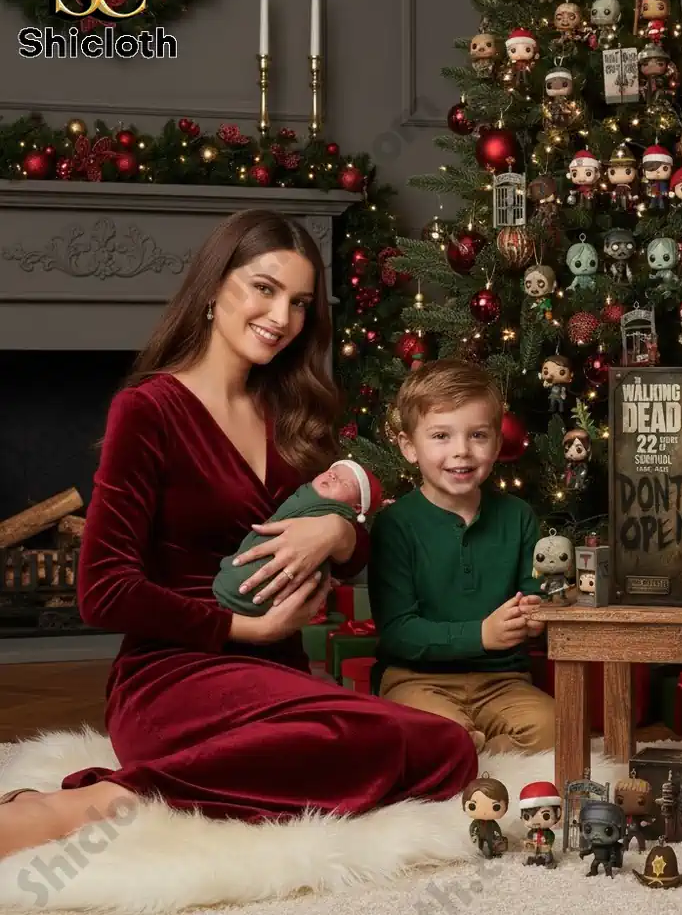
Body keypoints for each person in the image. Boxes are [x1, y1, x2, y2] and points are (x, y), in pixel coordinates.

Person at [0, 209, 478, 861]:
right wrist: (238, 630)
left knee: (444, 747)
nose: (282, 317)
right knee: (386, 745)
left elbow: (358, 551)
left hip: (278, 675)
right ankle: (99, 801)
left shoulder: (294, 414)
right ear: (214, 288)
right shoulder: (148, 411)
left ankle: (171, 787)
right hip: (171, 676)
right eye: (264, 288)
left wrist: (336, 534)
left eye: (300, 302)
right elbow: (102, 591)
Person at [369, 359, 556, 754]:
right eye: (441, 436)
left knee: (556, 727)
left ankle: (476, 761)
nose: (462, 452)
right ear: (409, 447)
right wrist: (481, 634)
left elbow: (535, 594)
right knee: (432, 730)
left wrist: (536, 616)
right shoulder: (394, 525)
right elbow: (399, 631)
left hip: (503, 681)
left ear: (497, 443)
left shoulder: (517, 516)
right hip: (416, 679)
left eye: (477, 435)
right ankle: (460, 751)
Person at [213, 458, 382, 616]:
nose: (333, 476)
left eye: (345, 482)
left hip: (269, 604)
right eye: (332, 471)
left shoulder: (331, 510)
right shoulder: (303, 495)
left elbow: (357, 547)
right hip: (213, 593)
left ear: (357, 507)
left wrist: (338, 529)